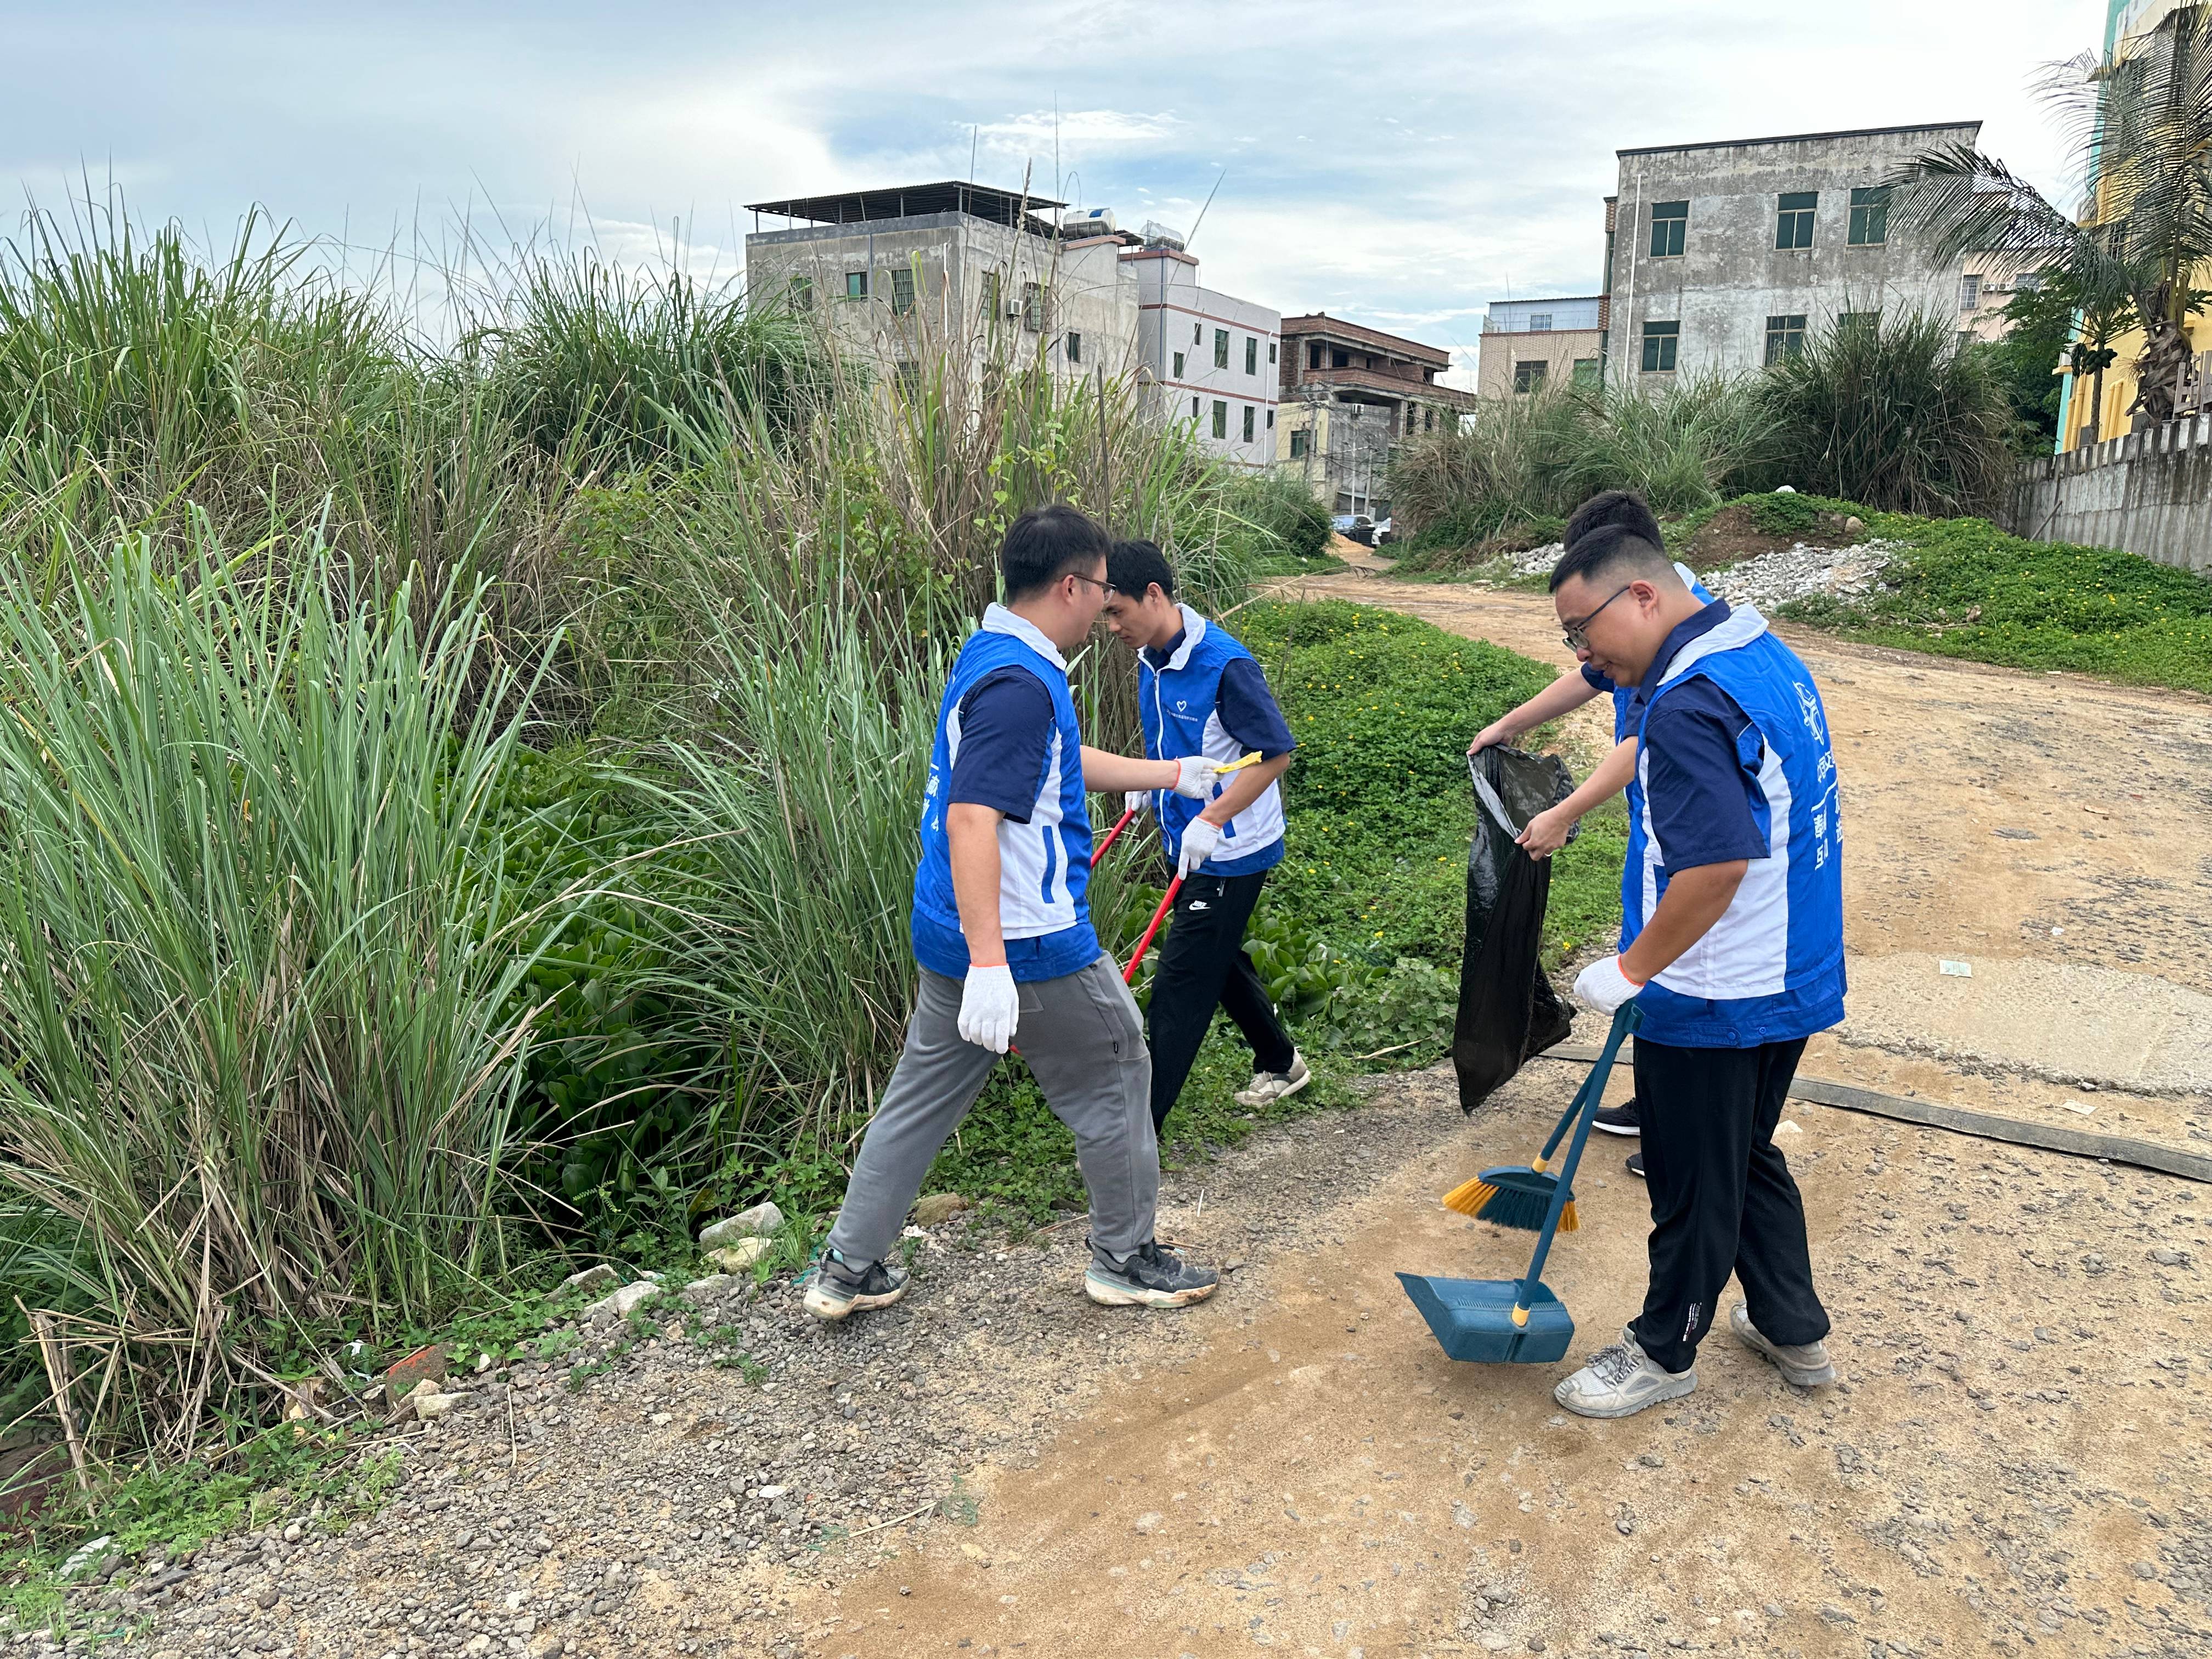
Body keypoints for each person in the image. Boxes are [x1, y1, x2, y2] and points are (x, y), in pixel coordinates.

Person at [804, 505, 1223, 1322]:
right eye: (1100, 590)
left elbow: (1053, 762)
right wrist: (993, 963)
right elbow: (973, 819)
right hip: (1027, 940)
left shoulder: (996, 654)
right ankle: (1125, 1259)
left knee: (920, 1099)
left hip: (949, 929)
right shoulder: (1023, 686)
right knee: (1118, 1068)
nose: (1104, 608)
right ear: (1069, 585)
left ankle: (848, 1267)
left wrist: (1170, 773)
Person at [1545, 522, 1845, 1419]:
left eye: (1582, 630)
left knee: (1689, 1178)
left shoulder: (1682, 707)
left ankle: (1662, 1349)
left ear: (1641, 594)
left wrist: (1631, 969)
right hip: (1790, 966)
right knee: (1742, 1152)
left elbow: (1713, 869)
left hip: (1713, 985)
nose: (1582, 654)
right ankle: (1792, 1325)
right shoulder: (1757, 650)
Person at [1464, 492, 1712, 1156]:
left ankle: (1684, 1135)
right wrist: (1512, 723)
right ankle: (1657, 1104)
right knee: (1649, 958)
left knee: (1668, 963)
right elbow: (1590, 679)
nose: (1585, 648)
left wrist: (1564, 812)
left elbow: (1647, 742)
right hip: (1654, 819)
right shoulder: (1631, 622)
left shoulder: (1680, 642)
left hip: (1684, 820)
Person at [1100, 539, 1305, 1131]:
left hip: (1231, 850)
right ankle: (1282, 1061)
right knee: (1220, 960)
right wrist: (1148, 780)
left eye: (1117, 612)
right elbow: (1175, 741)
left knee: (1182, 983)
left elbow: (1276, 755)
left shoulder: (1225, 666)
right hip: (1182, 838)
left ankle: (1136, 1134)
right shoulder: (1151, 656)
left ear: (1154, 595)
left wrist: (1213, 819)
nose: (1112, 627)